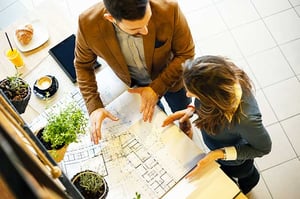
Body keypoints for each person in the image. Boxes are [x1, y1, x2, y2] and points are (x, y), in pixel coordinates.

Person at [74, 0, 195, 144]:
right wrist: (94, 106)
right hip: (135, 86)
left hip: (172, 79)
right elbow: (82, 65)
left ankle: (185, 125)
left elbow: (186, 53)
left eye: (148, 20)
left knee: (182, 109)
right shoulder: (87, 24)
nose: (145, 31)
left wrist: (156, 88)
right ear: (111, 18)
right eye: (136, 30)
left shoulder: (169, 8)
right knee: (155, 118)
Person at [162, 55, 272, 194]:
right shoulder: (217, 81)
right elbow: (205, 103)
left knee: (244, 175)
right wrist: (191, 110)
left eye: (193, 92)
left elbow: (264, 148)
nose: (188, 94)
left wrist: (218, 154)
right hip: (216, 147)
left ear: (212, 96)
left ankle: (248, 184)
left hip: (235, 161)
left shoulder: (246, 119)